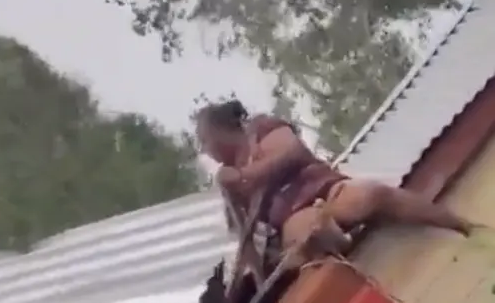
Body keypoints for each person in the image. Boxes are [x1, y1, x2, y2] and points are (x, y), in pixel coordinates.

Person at [194, 100, 474, 267]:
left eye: (205, 140)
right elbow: (244, 237)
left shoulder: (261, 127)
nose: (206, 150)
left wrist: (249, 175)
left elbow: (293, 153)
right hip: (292, 218)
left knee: (372, 195)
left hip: (325, 188)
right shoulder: (229, 180)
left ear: (220, 130)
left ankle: (463, 226)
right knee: (312, 231)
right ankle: (341, 243)